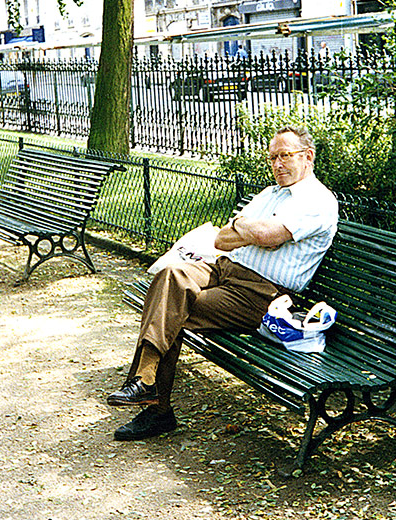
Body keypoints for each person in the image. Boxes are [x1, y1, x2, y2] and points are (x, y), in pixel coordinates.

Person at [106, 124, 338, 441]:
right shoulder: (269, 194)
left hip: (259, 295)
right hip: (223, 269)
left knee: (169, 307)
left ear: (308, 156)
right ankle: (146, 383)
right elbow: (221, 240)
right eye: (272, 158)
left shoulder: (317, 200)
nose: (277, 164)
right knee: (170, 275)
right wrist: (252, 230)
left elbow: (267, 234)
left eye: (285, 155)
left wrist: (252, 230)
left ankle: (154, 404)